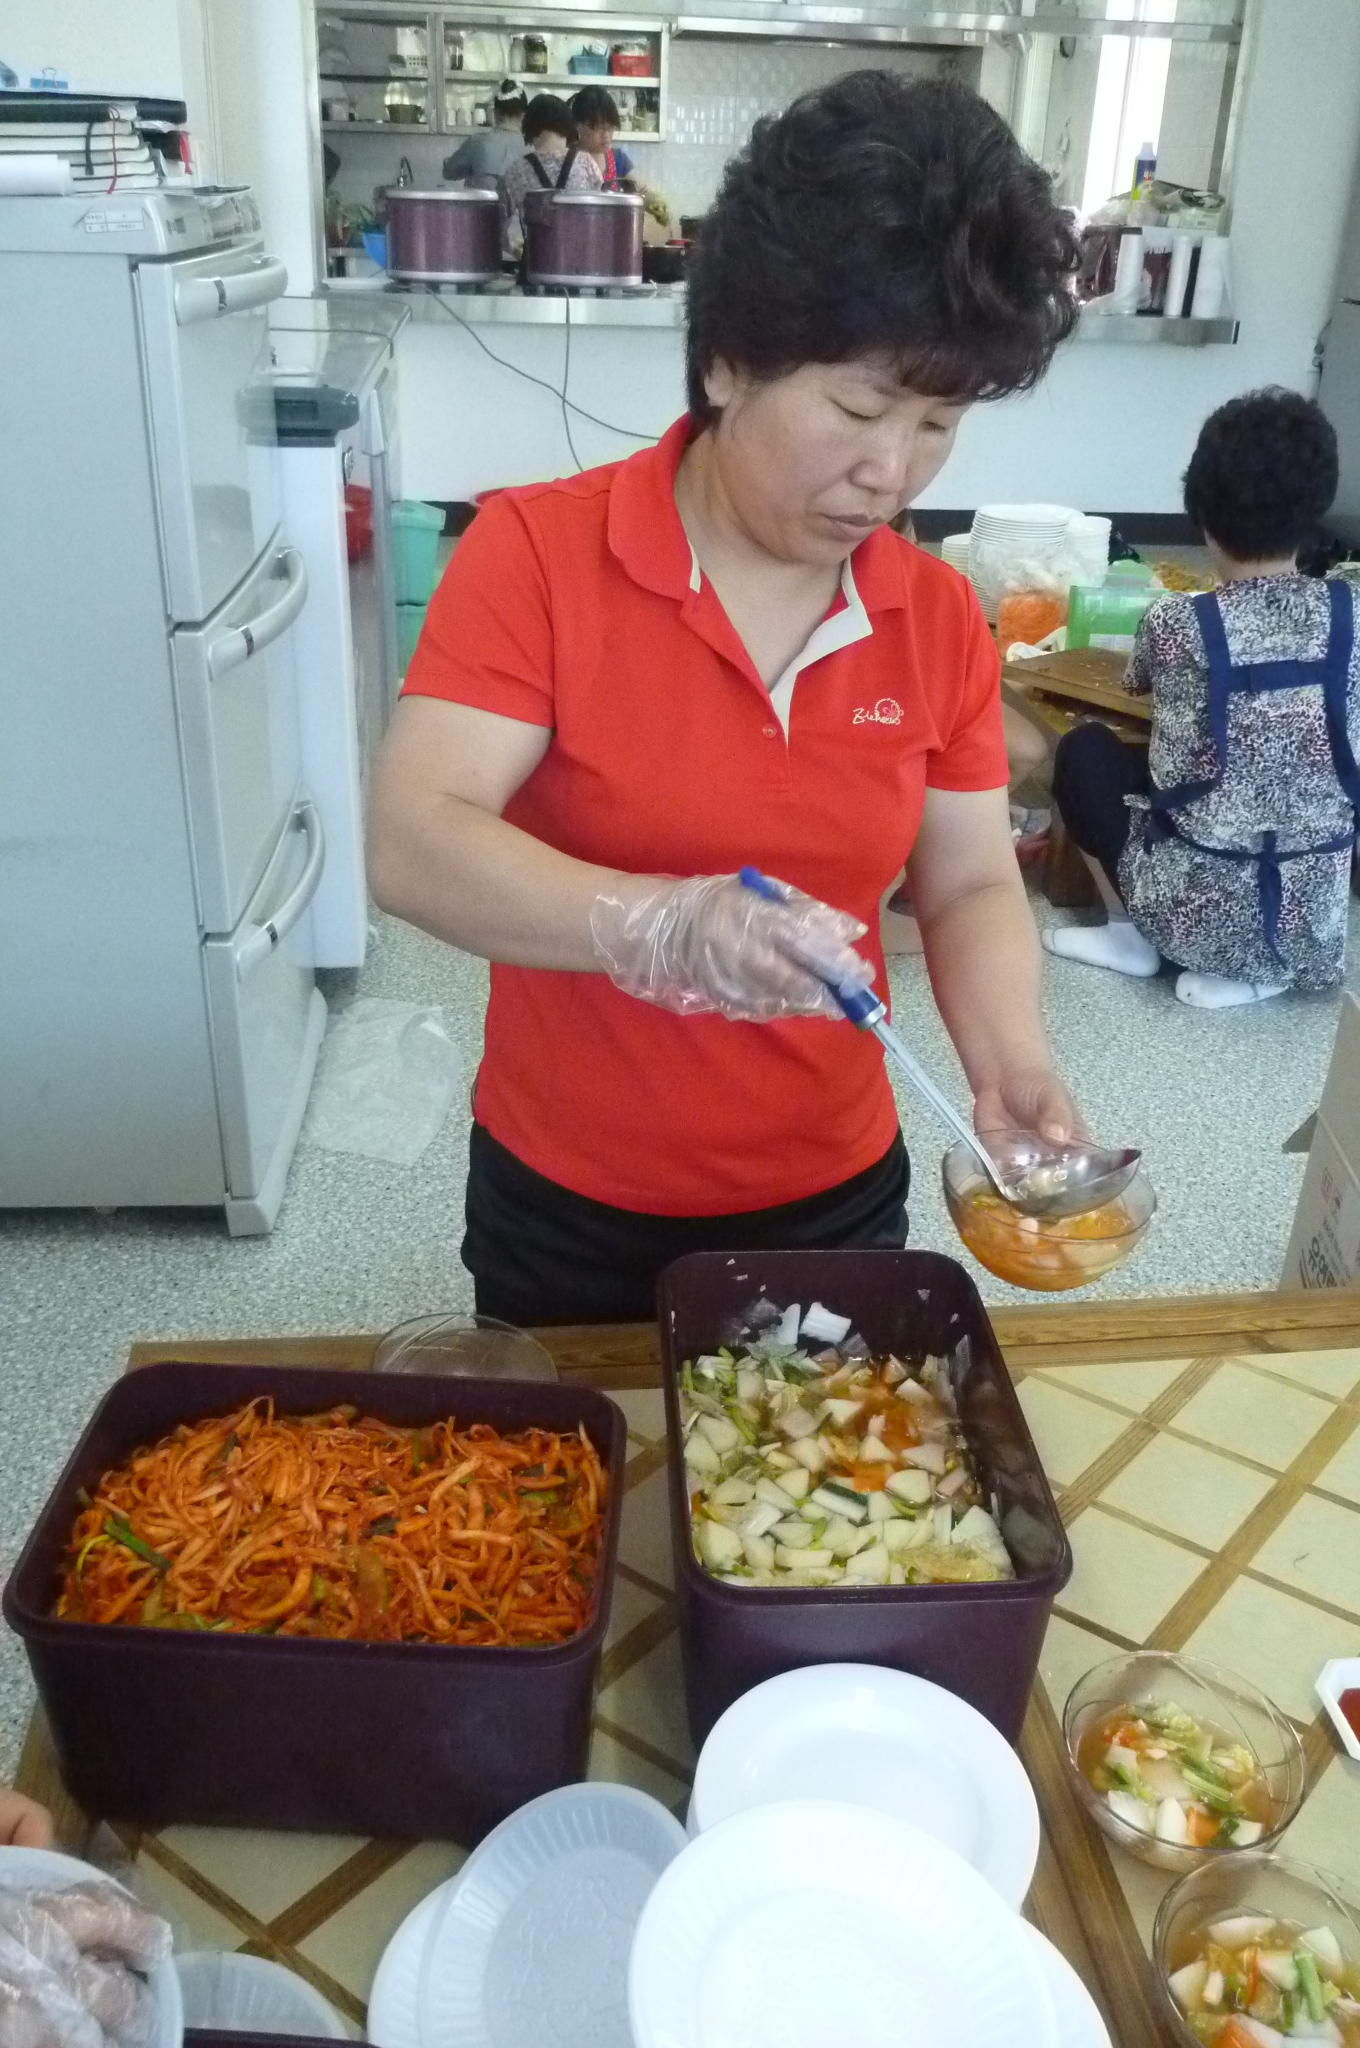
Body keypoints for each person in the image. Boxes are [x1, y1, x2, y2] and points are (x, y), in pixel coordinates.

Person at [369, 71, 1083, 1325]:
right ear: (724, 363)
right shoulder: (536, 556)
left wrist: (1010, 1062)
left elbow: (968, 880)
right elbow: (415, 840)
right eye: (858, 406)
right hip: (569, 1196)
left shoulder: (932, 615)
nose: (890, 470)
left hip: (831, 1194)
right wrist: (660, 924)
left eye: (937, 423)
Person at [1044, 389, 1358, 1009]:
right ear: (1316, 509)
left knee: (1085, 751)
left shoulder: (1176, 622)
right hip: (1312, 924)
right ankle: (1266, 969)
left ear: (1201, 514)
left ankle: (1130, 936)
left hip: (1185, 914)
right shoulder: (1353, 614)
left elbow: (1134, 687)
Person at [499, 93, 602, 239]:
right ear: (568, 125)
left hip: (536, 252)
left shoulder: (516, 170)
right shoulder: (586, 163)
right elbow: (601, 214)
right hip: (582, 251)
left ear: (528, 128)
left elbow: (501, 225)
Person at [442, 80, 528, 186]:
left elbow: (448, 172)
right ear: (525, 115)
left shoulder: (477, 142)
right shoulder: (533, 147)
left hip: (482, 197)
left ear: (495, 113)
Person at [569, 85, 636, 190]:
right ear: (579, 126)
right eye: (600, 128)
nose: (606, 135)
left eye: (610, 127)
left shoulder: (618, 159)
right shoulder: (565, 160)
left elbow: (638, 189)